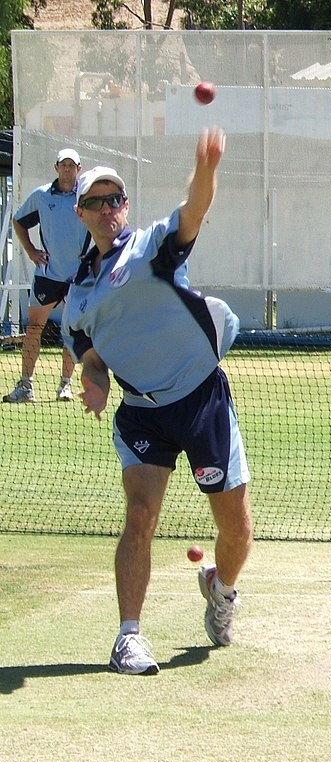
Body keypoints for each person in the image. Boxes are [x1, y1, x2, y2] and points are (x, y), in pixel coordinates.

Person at [61, 128, 253, 676]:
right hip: (142, 411)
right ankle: (128, 637)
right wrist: (94, 380)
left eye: (115, 199)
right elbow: (90, 354)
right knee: (140, 515)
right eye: (95, 202)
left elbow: (194, 210)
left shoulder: (150, 247)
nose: (107, 209)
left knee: (236, 529)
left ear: (125, 206)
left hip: (202, 399)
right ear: (81, 212)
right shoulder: (79, 294)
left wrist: (206, 166)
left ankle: (221, 589)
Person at [3, 148, 91, 403]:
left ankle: (65, 385)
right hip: (47, 275)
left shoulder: (87, 197)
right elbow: (19, 222)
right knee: (33, 328)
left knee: (70, 331)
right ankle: (25, 386)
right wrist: (31, 251)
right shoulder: (41, 196)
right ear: (56, 168)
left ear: (79, 168)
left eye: (71, 165)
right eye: (63, 165)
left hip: (77, 278)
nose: (67, 169)